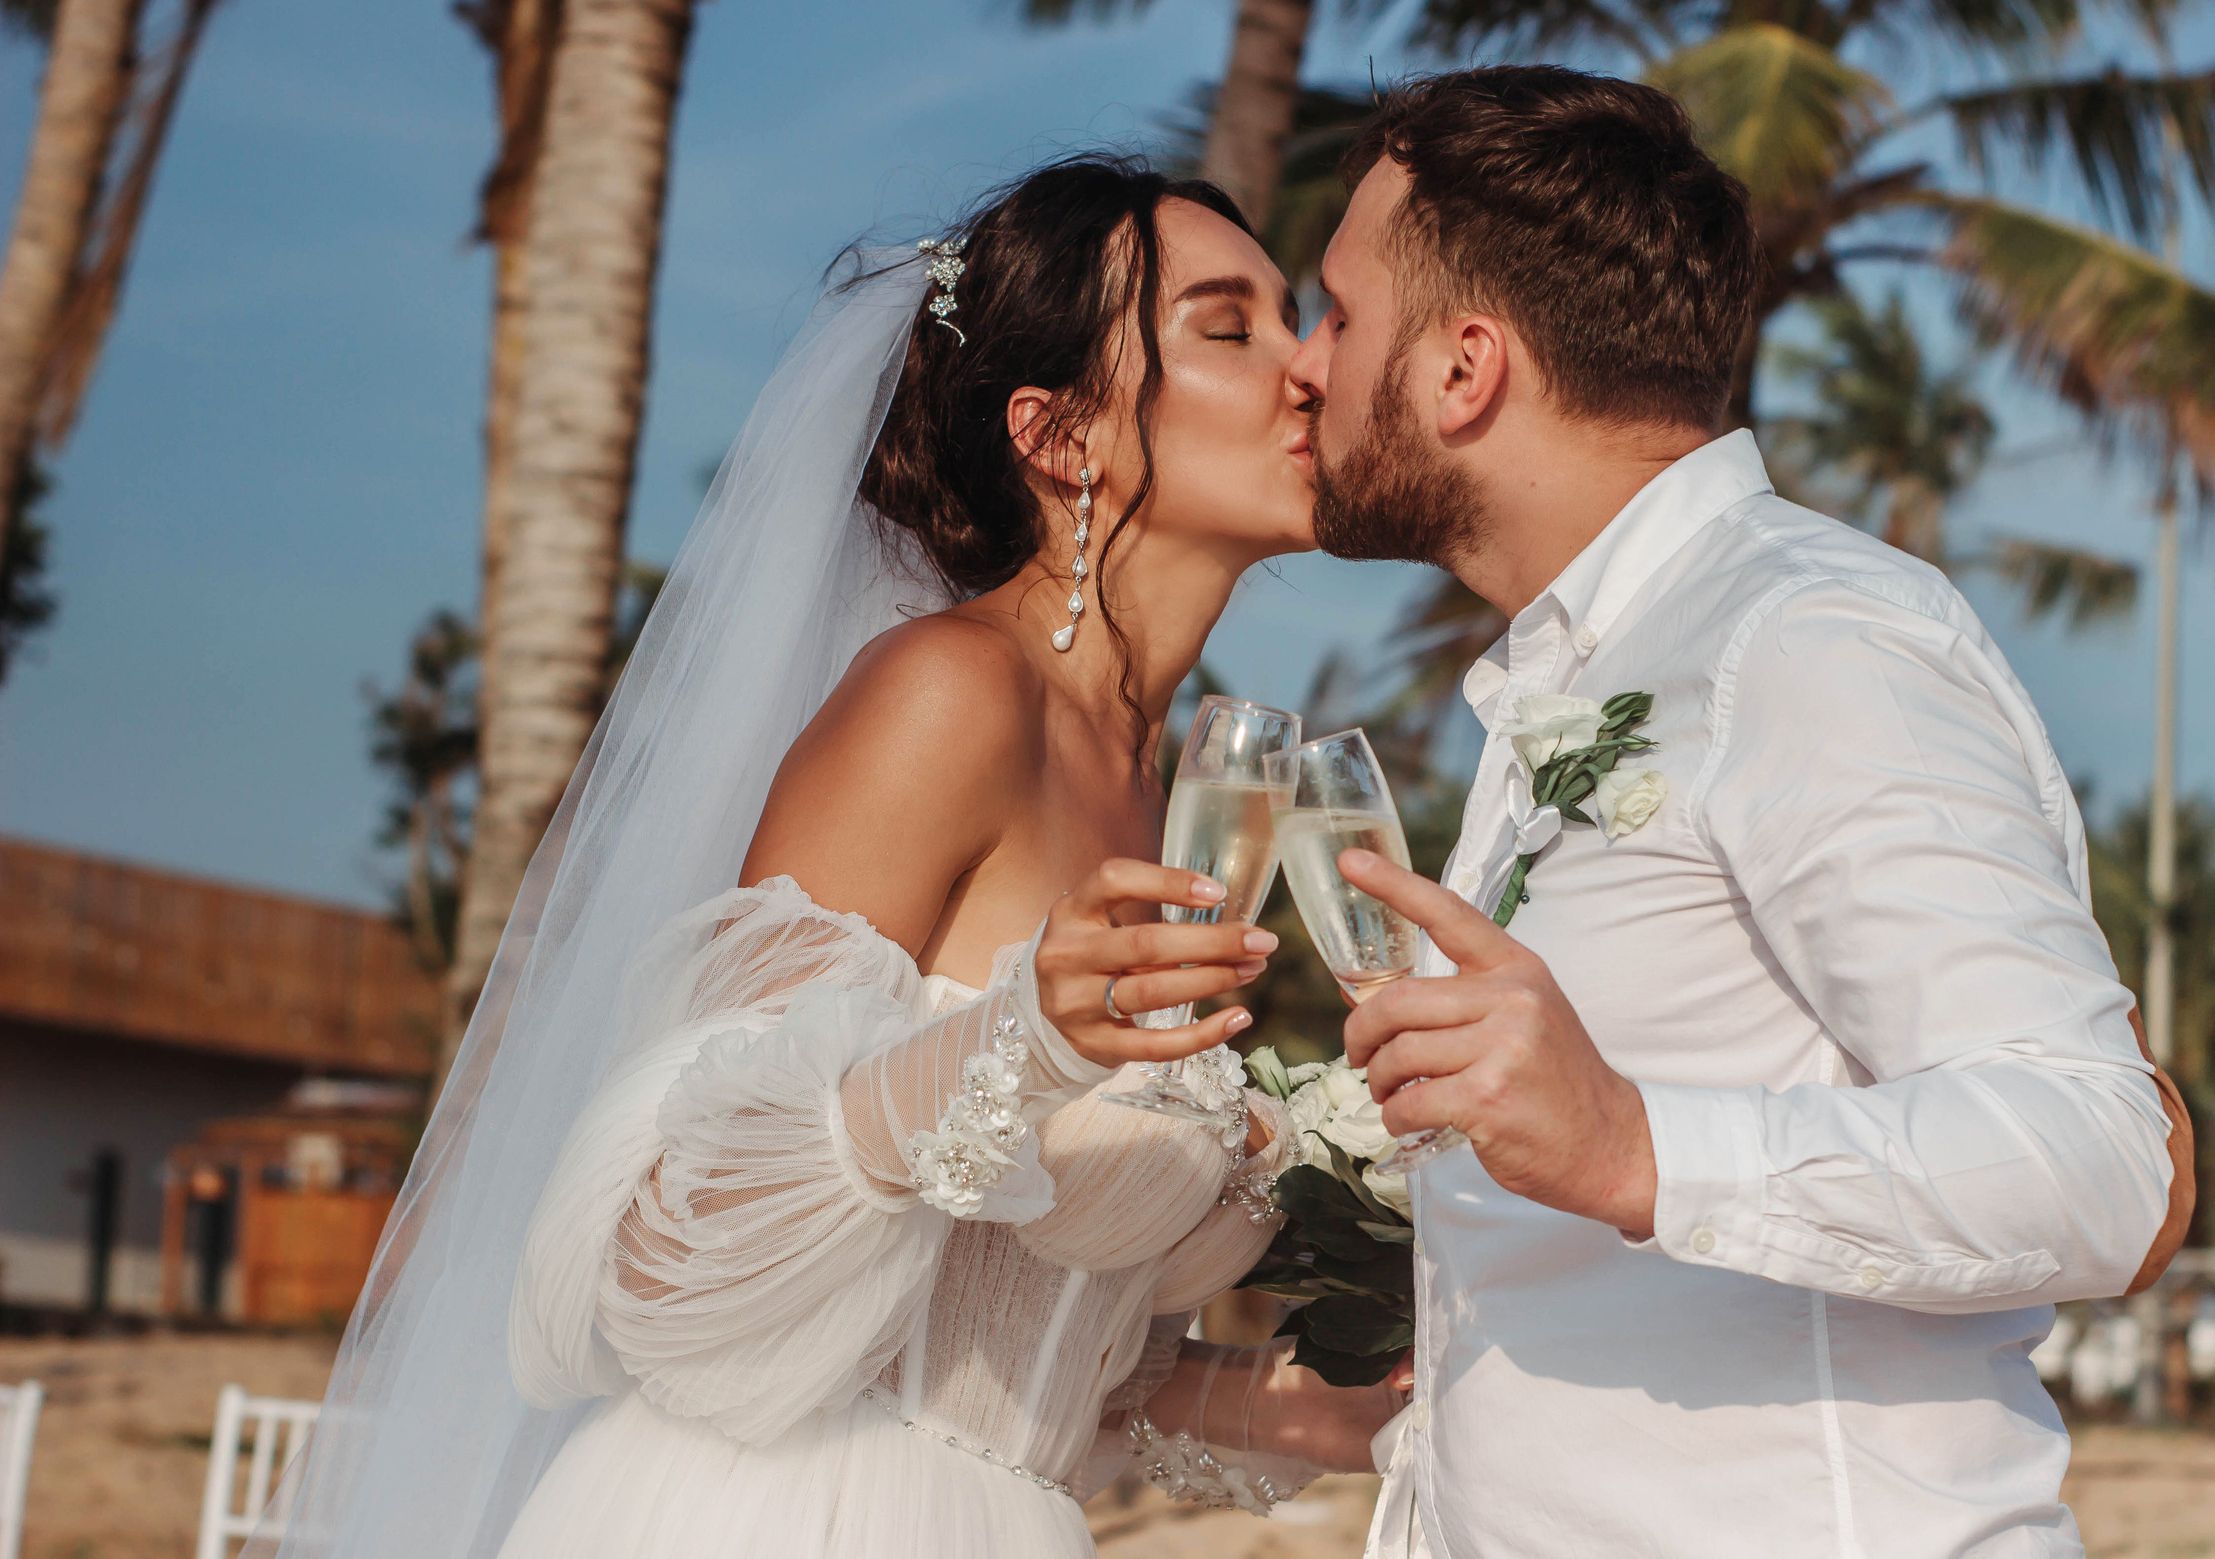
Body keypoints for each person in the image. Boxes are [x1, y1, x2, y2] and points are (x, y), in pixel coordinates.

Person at [261, 157, 1397, 1559]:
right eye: (1231, 329)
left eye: (1294, 319)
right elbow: (670, 1255)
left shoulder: (1168, 792)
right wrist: (1019, 1041)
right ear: (1062, 437)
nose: (1307, 369)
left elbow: (1014, 1359)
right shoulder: (946, 698)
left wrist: (1373, 1394)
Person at [1287, 67, 2200, 1558]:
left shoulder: (1809, 641)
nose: (1304, 365)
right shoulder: (1573, 679)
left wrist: (1642, 1148)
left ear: (1466, 368)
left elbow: (2100, 1154)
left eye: (1336, 311)